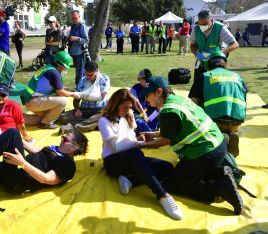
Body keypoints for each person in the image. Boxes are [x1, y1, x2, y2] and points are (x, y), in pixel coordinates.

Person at [139, 76, 243, 215]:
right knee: (188, 173)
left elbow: (165, 141)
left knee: (173, 185)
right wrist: (154, 135)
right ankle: (218, 172)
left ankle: (219, 187)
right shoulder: (178, 100)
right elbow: (177, 128)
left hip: (206, 154)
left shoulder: (167, 112)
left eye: (148, 95)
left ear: (158, 92)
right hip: (219, 145)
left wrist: (142, 145)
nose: (146, 99)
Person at [98, 88, 183, 220]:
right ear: (115, 105)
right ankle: (162, 195)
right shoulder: (104, 121)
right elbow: (115, 148)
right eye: (124, 107)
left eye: (130, 107)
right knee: (135, 153)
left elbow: (130, 140)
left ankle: (130, 180)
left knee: (167, 167)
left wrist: (137, 139)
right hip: (113, 162)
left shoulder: (128, 117)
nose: (127, 110)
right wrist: (139, 144)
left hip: (131, 157)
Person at [0, 128, 88, 194]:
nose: (62, 138)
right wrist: (15, 140)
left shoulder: (68, 165)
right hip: (13, 168)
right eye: (63, 136)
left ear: (75, 147)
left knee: (12, 133)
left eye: (66, 138)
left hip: (18, 181)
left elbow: (46, 179)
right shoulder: (55, 149)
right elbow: (39, 152)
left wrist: (22, 163)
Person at [189, 51, 247, 157]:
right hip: (237, 122)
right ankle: (229, 134)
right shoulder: (238, 77)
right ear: (225, 64)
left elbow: (193, 105)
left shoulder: (204, 77)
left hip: (216, 123)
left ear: (209, 65)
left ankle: (220, 139)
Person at [22, 51, 77, 129]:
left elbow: (58, 88)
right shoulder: (54, 73)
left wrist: (70, 91)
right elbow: (60, 92)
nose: (64, 69)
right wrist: (74, 94)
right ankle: (46, 123)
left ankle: (21, 118)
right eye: (64, 67)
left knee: (48, 116)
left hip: (30, 100)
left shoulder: (48, 67)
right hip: (34, 101)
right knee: (63, 101)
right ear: (60, 65)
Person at [58, 61, 110, 132]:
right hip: (85, 109)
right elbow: (77, 98)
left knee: (103, 115)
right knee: (63, 116)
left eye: (91, 75)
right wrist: (77, 109)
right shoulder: (82, 80)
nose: (88, 77)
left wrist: (77, 94)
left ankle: (75, 127)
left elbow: (101, 97)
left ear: (97, 71)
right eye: (86, 74)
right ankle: (93, 124)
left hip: (100, 109)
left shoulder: (104, 79)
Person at [190, 9, 238, 82]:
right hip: (200, 61)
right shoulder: (195, 28)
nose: (202, 26)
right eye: (200, 24)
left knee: (215, 84)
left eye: (205, 24)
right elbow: (192, 45)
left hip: (216, 62)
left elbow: (235, 44)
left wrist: (221, 52)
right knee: (197, 83)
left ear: (211, 20)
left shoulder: (220, 28)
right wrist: (197, 55)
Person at [130, 69, 159, 133]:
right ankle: (149, 131)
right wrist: (144, 115)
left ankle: (151, 129)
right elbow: (136, 103)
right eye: (145, 79)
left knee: (162, 115)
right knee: (140, 122)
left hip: (151, 112)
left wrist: (159, 111)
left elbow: (159, 104)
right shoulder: (134, 89)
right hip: (139, 113)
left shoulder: (153, 87)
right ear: (140, 80)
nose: (147, 81)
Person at [68, 10, 89, 86]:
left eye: (75, 18)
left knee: (80, 72)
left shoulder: (82, 26)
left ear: (79, 17)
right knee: (78, 72)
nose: (74, 20)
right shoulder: (73, 26)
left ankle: (80, 88)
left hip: (80, 52)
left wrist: (77, 38)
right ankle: (79, 87)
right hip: (74, 52)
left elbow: (86, 40)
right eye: (72, 18)